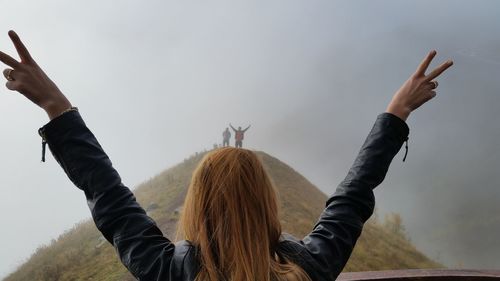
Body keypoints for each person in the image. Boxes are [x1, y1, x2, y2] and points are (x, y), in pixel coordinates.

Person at [0, 30, 453, 281]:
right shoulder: (309, 267)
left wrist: (56, 106)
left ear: (195, 200)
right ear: (267, 198)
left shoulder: (166, 271)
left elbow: (108, 195)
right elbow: (353, 196)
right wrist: (397, 111)